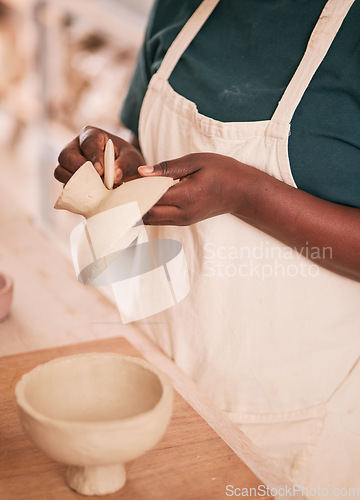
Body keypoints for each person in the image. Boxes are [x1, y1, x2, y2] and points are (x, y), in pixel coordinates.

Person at [55, 0, 360, 495]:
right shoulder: (180, 6)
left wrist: (248, 194)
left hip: (298, 419)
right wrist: (119, 161)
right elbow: (142, 139)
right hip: (154, 373)